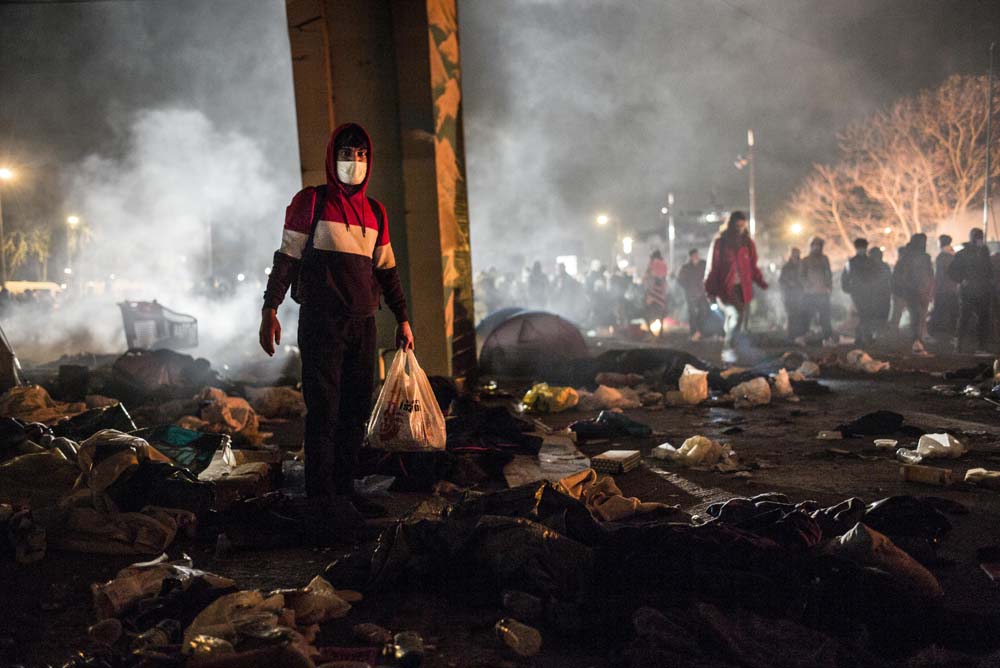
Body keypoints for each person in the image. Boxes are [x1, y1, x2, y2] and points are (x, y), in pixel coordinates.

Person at [259, 122, 413, 519]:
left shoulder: (375, 212)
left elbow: (388, 272)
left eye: (361, 155)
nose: (354, 162)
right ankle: (320, 499)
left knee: (354, 411)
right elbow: (286, 260)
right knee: (324, 410)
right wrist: (270, 309)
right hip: (322, 324)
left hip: (363, 325)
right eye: (347, 154)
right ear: (333, 157)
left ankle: (343, 493)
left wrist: (403, 319)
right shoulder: (310, 203)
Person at [704, 211, 768, 360]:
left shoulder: (747, 243)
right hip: (725, 288)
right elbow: (712, 267)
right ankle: (729, 345)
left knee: (737, 316)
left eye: (742, 225)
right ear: (731, 224)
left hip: (742, 287)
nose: (739, 228)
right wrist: (710, 291)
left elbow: (752, 266)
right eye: (737, 225)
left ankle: (732, 345)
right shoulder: (721, 243)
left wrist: (761, 282)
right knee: (736, 314)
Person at [947, 227, 994, 354]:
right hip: (968, 291)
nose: (980, 240)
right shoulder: (963, 254)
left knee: (983, 319)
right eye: (978, 237)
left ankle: (981, 347)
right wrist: (962, 280)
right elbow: (951, 271)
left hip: (983, 291)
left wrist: (989, 281)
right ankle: (959, 345)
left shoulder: (984, 252)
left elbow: (989, 269)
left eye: (981, 237)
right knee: (964, 318)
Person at [893, 232, 934, 355]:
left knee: (919, 317)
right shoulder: (911, 256)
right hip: (914, 291)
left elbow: (930, 274)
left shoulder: (920, 256)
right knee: (917, 317)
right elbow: (901, 274)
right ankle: (916, 341)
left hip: (919, 291)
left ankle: (917, 341)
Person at [797, 237, 835, 345]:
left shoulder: (824, 259)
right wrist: (807, 285)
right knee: (806, 316)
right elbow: (801, 276)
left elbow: (828, 274)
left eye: (818, 245)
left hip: (823, 293)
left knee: (825, 317)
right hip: (809, 294)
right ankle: (804, 337)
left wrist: (829, 286)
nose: (816, 247)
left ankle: (828, 338)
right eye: (815, 245)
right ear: (811, 246)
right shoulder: (805, 260)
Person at [841, 238, 879, 346]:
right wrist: (848, 289)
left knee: (866, 315)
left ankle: (862, 336)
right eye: (860, 248)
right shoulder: (854, 262)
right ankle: (864, 336)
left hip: (864, 292)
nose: (861, 250)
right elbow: (845, 278)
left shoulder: (862, 262)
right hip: (860, 292)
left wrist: (848, 289)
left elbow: (876, 276)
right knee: (863, 315)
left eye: (862, 248)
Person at [928, 234, 958, 338]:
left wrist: (934, 290)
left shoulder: (941, 257)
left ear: (941, 243)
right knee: (953, 312)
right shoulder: (954, 256)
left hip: (942, 290)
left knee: (937, 312)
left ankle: (933, 333)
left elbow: (938, 276)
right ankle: (954, 334)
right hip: (953, 289)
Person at [677, 248, 708, 341]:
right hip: (691, 294)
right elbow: (680, 280)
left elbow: (710, 274)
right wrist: (688, 288)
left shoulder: (704, 264)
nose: (696, 257)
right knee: (692, 313)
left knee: (704, 311)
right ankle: (693, 332)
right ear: (691, 257)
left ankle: (700, 331)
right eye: (694, 255)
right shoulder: (686, 268)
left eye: (697, 255)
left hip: (703, 293)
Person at [778, 247, 803, 340]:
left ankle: (799, 336)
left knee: (800, 316)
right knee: (792, 316)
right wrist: (789, 283)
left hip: (801, 294)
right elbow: (781, 281)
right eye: (795, 254)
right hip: (790, 295)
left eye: (798, 254)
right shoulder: (786, 267)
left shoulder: (803, 265)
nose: (796, 256)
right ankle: (791, 337)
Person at [868, 247, 893, 337]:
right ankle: (879, 334)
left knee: (876, 316)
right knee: (881, 316)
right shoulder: (884, 266)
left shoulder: (869, 268)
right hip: (882, 296)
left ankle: (876, 334)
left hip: (876, 296)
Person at [643, 250, 669, 329]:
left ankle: (650, 332)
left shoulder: (652, 264)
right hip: (661, 291)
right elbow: (664, 277)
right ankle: (660, 332)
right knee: (661, 312)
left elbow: (647, 277)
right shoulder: (664, 265)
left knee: (647, 311)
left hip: (652, 291)